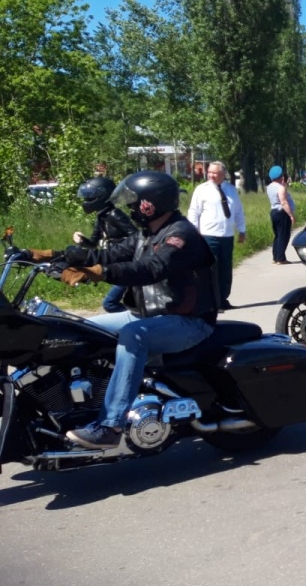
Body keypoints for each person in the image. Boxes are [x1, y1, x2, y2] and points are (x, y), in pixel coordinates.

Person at [53, 171, 219, 449]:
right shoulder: (147, 233)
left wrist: (100, 273)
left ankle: (111, 426)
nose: (130, 208)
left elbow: (152, 269)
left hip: (188, 322)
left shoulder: (181, 235)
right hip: (149, 314)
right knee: (81, 328)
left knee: (134, 335)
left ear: (151, 203)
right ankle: (79, 405)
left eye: (134, 202)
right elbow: (108, 254)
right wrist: (52, 256)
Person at [73, 176, 140, 313]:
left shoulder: (114, 214)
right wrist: (82, 240)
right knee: (117, 303)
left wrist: (120, 247)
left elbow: (136, 236)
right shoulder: (101, 216)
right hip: (117, 263)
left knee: (109, 303)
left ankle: (138, 321)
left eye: (90, 197)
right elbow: (93, 243)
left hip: (128, 264)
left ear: (102, 196)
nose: (86, 201)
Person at [187, 161, 246, 311]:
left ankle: (223, 299)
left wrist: (242, 229)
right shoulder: (202, 190)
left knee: (225, 270)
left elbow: (238, 212)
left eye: (215, 173)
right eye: (210, 172)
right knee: (211, 270)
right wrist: (194, 232)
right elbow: (194, 212)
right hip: (208, 236)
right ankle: (212, 302)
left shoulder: (231, 190)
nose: (212, 175)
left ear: (223, 174)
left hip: (227, 235)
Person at [266, 165, 295, 264]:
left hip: (274, 211)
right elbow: (283, 202)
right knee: (284, 235)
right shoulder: (280, 188)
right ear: (280, 176)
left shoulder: (270, 187)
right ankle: (281, 258)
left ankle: (275, 257)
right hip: (282, 212)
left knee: (277, 235)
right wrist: (291, 215)